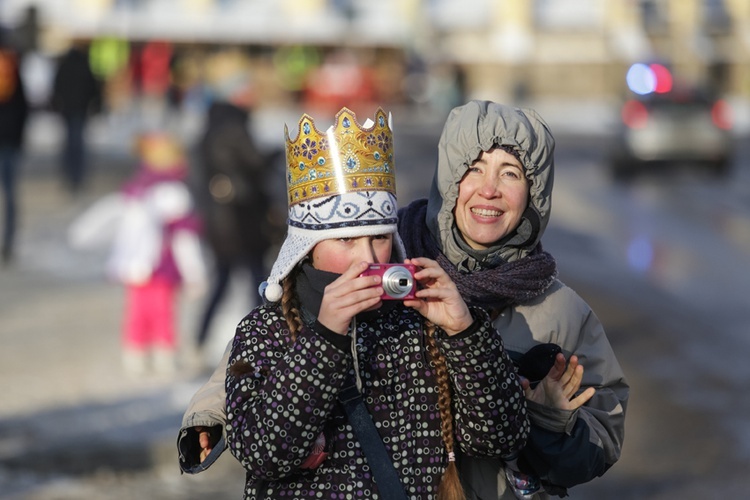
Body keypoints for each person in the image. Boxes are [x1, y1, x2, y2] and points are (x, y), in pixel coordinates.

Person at [178, 101, 628, 499]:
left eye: (510, 174)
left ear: (534, 194)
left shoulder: (430, 316)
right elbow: (256, 401)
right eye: (474, 169)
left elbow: (501, 435)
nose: (369, 259)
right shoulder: (297, 320)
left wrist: (467, 333)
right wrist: (211, 414)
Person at [69, 132, 207, 374]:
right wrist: (195, 274)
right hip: (162, 267)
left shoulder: (135, 191)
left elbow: (110, 218)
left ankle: (135, 354)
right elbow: (185, 241)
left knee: (137, 313)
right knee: (162, 313)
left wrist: (83, 235)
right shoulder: (176, 195)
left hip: (135, 267)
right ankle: (163, 355)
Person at [192, 54, 284, 352]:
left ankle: (200, 339)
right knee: (260, 283)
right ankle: (265, 338)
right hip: (239, 220)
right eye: (247, 90)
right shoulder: (232, 124)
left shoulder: (216, 122)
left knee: (227, 281)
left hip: (223, 220)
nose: (253, 95)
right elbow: (252, 162)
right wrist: (276, 154)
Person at [51, 42, 101, 193]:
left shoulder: (64, 65)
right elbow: (93, 88)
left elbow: (56, 87)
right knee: (77, 142)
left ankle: (71, 173)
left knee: (70, 142)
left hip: (68, 110)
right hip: (80, 109)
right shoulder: (84, 65)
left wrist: (58, 103)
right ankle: (76, 174)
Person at [0, 37, 29, 265]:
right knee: (10, 194)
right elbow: (23, 107)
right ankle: (9, 241)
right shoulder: (13, 67)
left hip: (8, 138)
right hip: (9, 139)